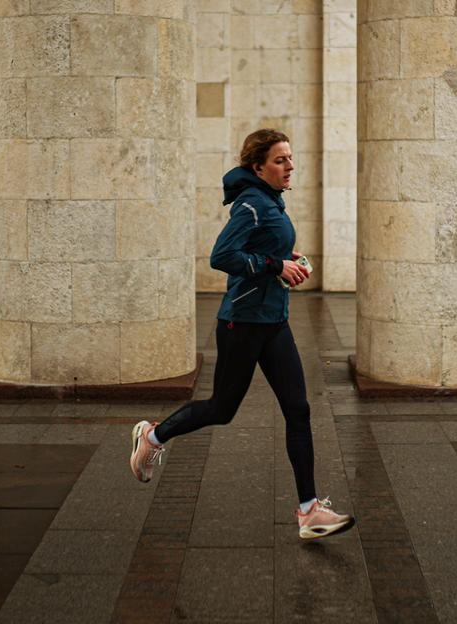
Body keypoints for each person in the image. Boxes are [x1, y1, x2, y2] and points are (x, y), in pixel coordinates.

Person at [128, 129, 355, 540]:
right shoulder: (251, 204)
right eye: (281, 160)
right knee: (222, 408)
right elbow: (222, 256)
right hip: (242, 324)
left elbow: (266, 252)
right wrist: (274, 266)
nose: (290, 166)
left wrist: (290, 262)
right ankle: (153, 435)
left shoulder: (271, 201)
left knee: (298, 409)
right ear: (258, 167)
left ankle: (309, 511)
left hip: (274, 322)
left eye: (290, 158)